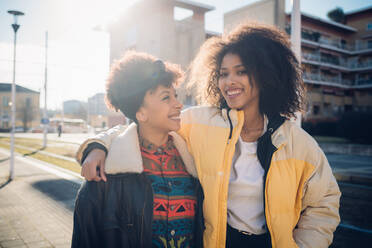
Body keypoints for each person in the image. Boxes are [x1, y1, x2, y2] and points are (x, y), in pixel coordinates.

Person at [78, 23, 340, 248]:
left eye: (241, 71)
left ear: (265, 74)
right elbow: (138, 125)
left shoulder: (298, 143)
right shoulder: (199, 122)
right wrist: (98, 145)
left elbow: (325, 202)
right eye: (223, 74)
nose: (229, 82)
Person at [72, 51, 204, 248]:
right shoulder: (104, 176)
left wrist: (97, 145)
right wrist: (97, 147)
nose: (178, 104)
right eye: (166, 97)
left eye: (175, 96)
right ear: (140, 113)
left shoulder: (193, 156)